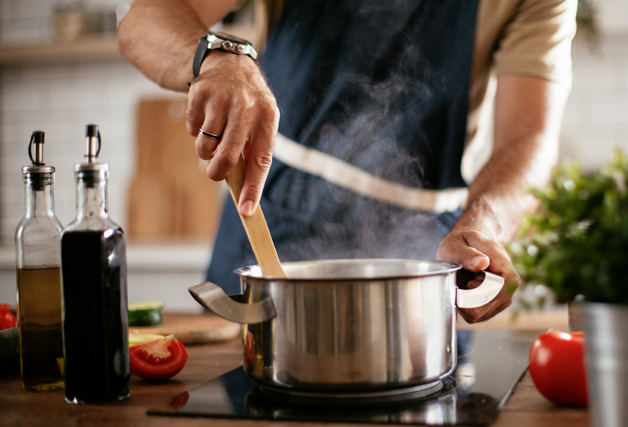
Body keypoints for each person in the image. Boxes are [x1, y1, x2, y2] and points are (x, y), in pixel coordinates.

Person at [118, 0, 576, 323]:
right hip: (271, 225)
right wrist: (217, 60)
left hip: (425, 251)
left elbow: (528, 137)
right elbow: (143, 20)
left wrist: (487, 226)